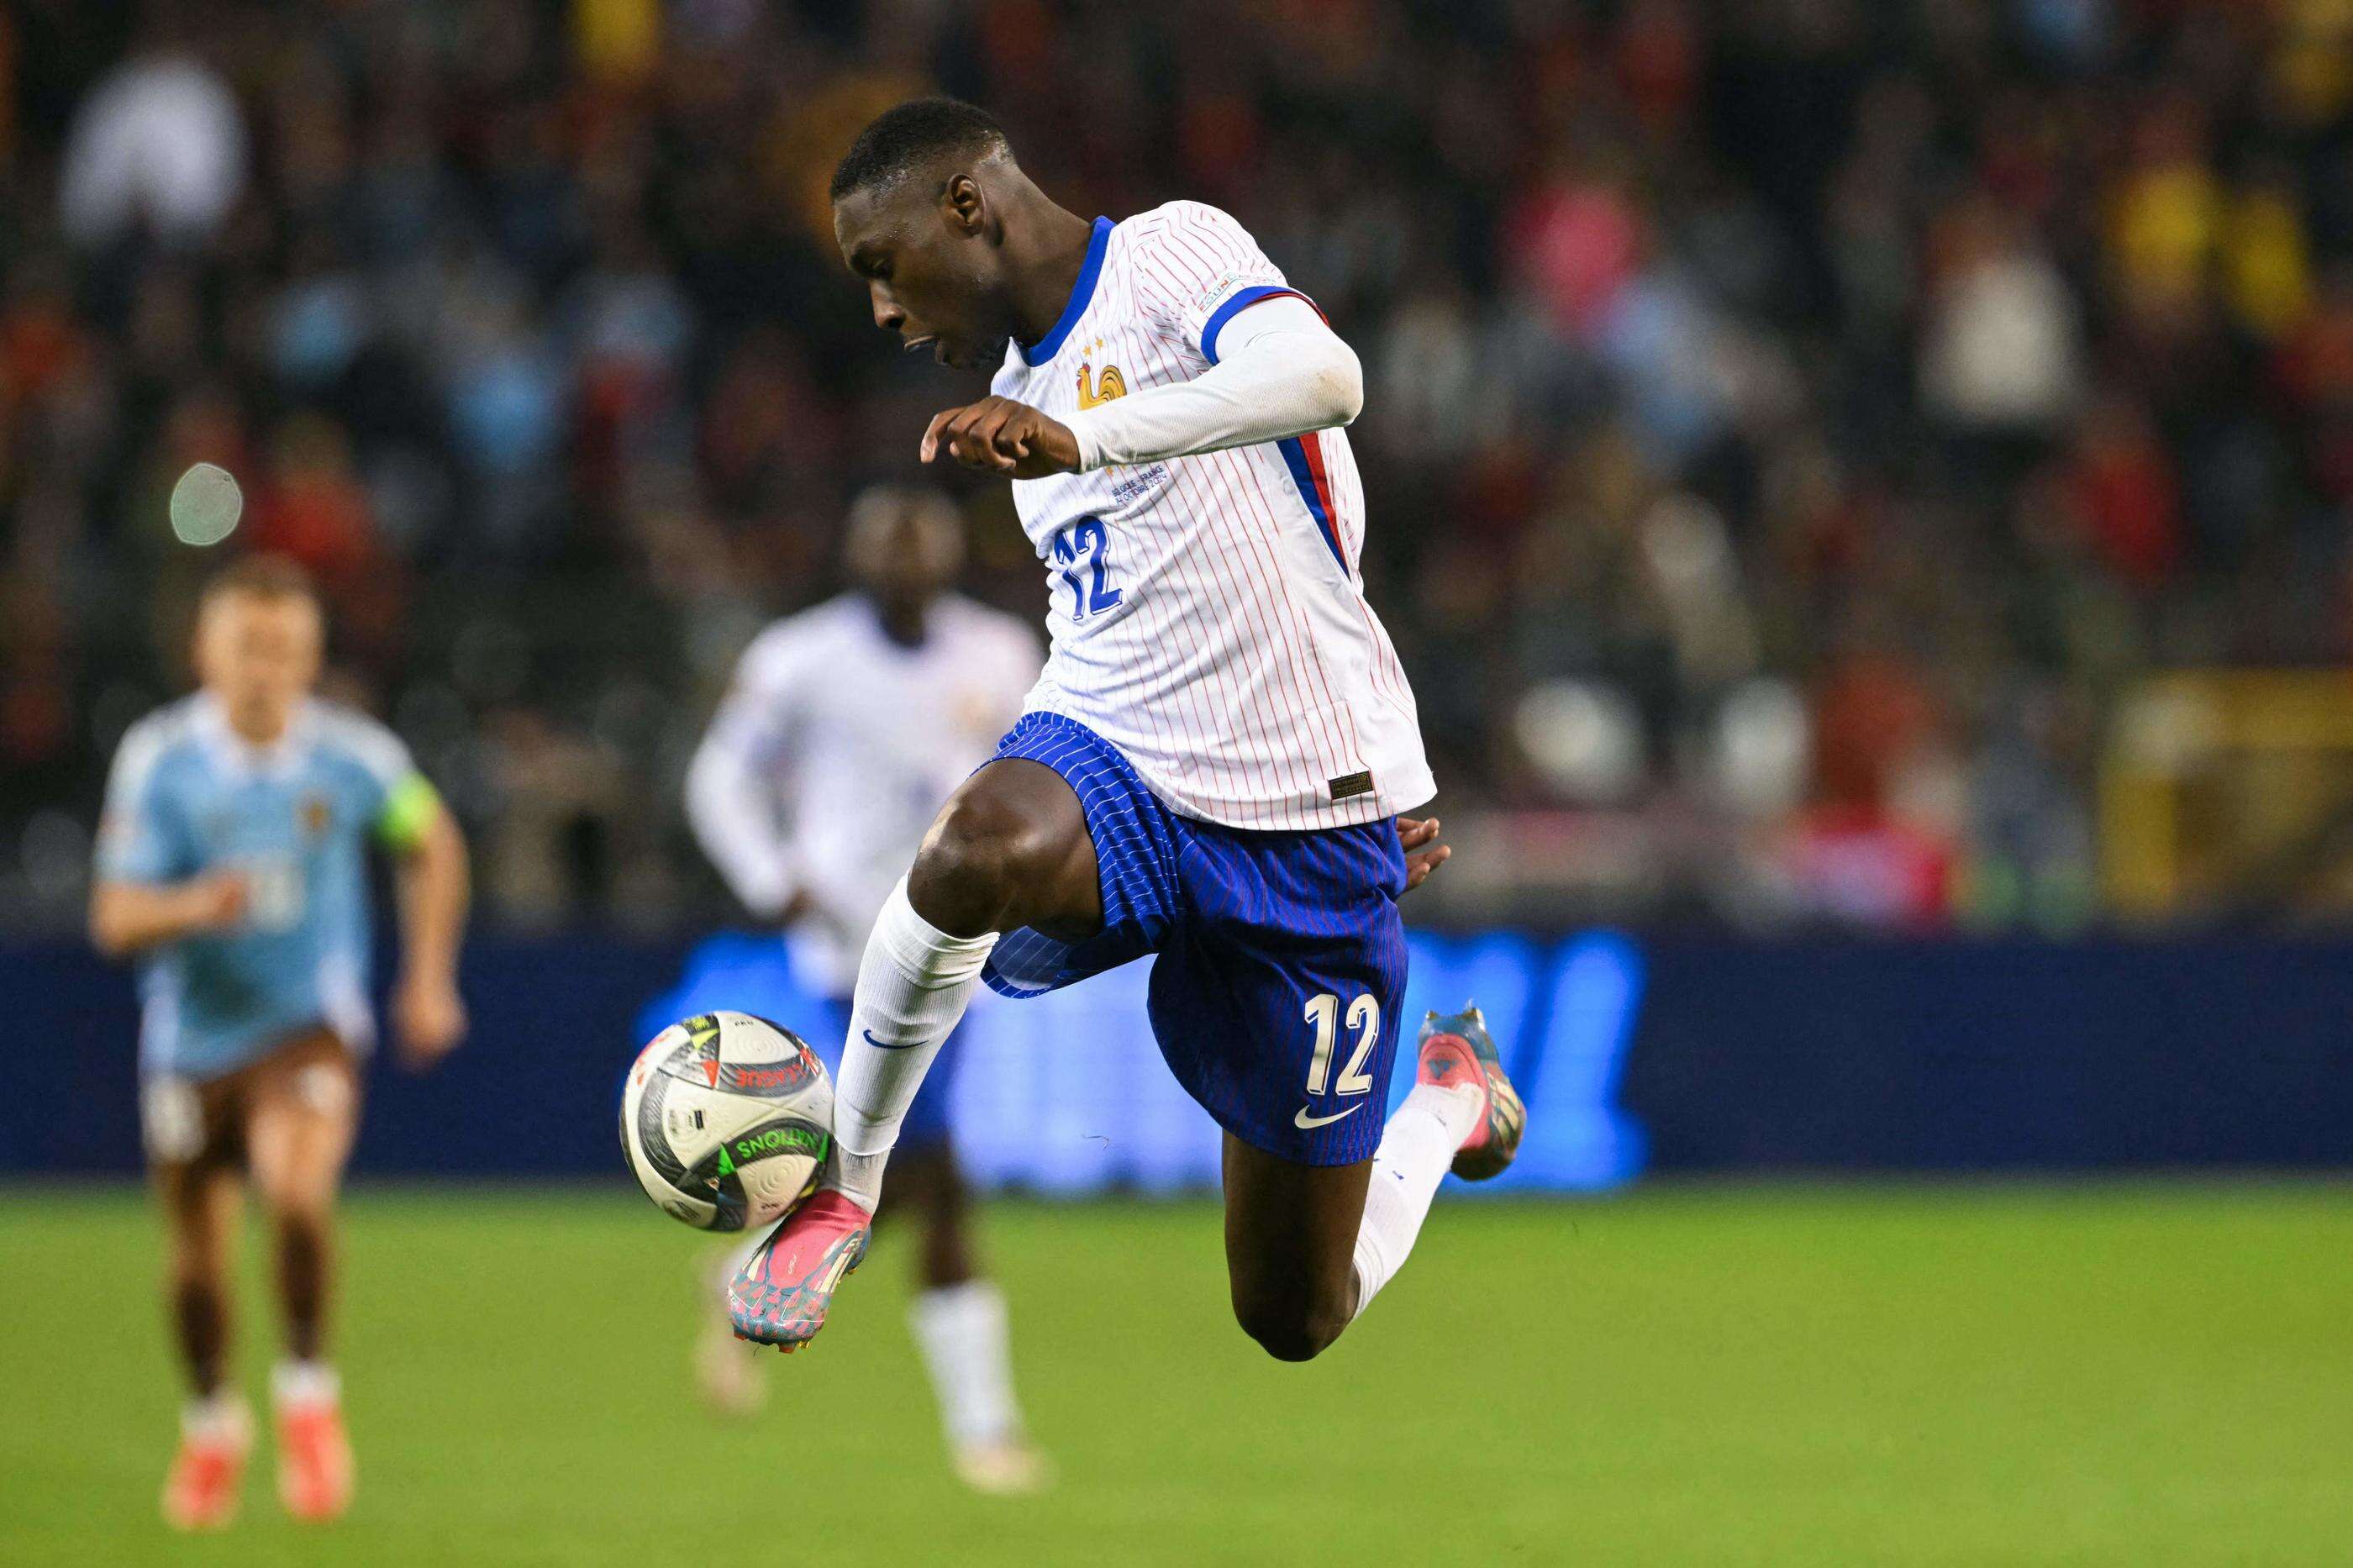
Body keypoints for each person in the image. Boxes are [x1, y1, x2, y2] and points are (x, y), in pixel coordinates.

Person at [729, 99, 1525, 1365]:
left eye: (883, 268)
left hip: (1306, 823)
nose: (883, 314)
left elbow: (1329, 382)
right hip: (1131, 771)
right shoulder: (1012, 395)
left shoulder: (1170, 255)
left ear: (967, 206)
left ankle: (1446, 1099)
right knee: (968, 853)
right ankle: (848, 1185)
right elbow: (1125, 612)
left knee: (1293, 1313)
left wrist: (1084, 437)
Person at [90, 554, 470, 1530]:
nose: (266, 667)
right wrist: (190, 905)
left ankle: (306, 1396)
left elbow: (431, 841)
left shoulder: (353, 758)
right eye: (247, 646)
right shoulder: (159, 760)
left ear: (311, 658)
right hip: (191, 1041)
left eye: (286, 649)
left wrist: (428, 978)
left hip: (309, 1029)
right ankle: (214, 1421)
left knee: (297, 1195)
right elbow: (114, 917)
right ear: (204, 651)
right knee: (196, 1265)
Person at [683, 485, 1048, 1491]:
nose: (903, 563)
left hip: (960, 939)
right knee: (934, 1177)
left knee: (889, 1170)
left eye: (918, 545)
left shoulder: (1001, 653)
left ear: (946, 557)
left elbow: (1045, 773)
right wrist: (772, 877)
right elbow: (719, 778)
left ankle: (757, 1275)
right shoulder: (798, 661)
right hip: (852, 943)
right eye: (884, 547)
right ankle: (985, 1429)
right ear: (855, 559)